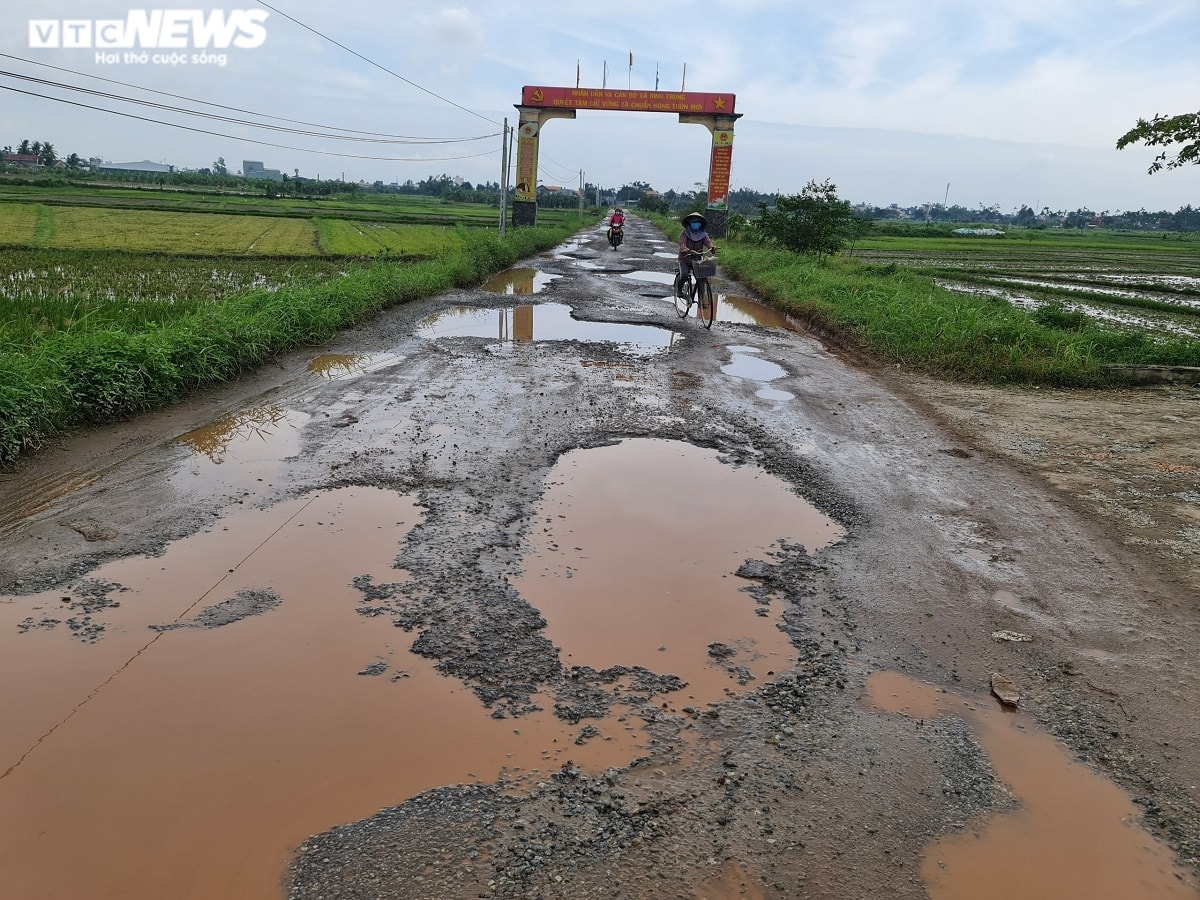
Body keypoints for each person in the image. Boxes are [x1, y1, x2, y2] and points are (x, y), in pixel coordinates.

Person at [675, 212, 716, 296]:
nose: (696, 225)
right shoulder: (685, 233)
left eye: (698, 223)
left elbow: (708, 242)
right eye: (694, 223)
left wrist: (712, 247)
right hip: (685, 259)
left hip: (697, 260)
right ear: (689, 224)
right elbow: (682, 244)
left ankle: (701, 298)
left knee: (701, 278)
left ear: (701, 225)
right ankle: (679, 290)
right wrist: (685, 249)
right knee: (684, 275)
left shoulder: (703, 235)